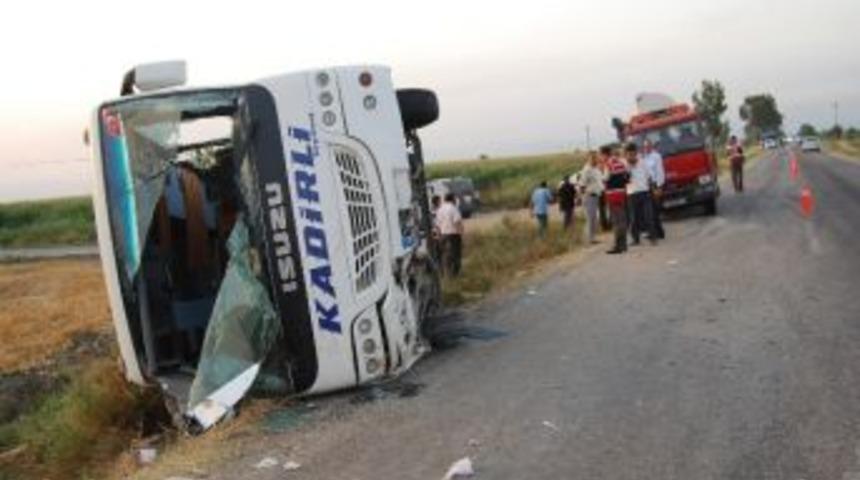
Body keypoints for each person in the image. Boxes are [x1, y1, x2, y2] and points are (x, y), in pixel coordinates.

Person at [626, 143, 658, 246]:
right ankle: (635, 239)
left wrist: (654, 189)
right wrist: (628, 169)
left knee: (649, 216)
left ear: (636, 153)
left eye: (633, 154)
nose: (631, 156)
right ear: (626, 154)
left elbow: (650, 177)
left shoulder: (643, 163)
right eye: (629, 154)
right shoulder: (625, 166)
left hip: (645, 193)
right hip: (632, 194)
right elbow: (623, 180)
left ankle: (653, 238)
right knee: (634, 218)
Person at [604, 147, 630, 254]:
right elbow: (628, 177)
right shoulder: (623, 164)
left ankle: (617, 246)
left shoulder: (608, 165)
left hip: (612, 195)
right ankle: (624, 245)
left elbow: (605, 178)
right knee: (622, 220)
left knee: (616, 221)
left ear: (607, 154)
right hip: (622, 194)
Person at [641, 139, 666, 239]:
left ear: (651, 146)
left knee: (655, 210)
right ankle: (655, 232)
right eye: (645, 146)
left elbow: (660, 171)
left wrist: (659, 187)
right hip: (646, 186)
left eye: (648, 146)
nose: (646, 148)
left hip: (655, 185)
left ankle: (659, 232)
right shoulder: (643, 158)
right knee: (649, 211)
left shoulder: (656, 156)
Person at [578, 152, 605, 244]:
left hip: (596, 195)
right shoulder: (586, 170)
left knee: (593, 218)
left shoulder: (596, 169)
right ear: (589, 159)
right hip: (589, 196)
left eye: (596, 158)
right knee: (590, 218)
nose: (595, 160)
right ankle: (588, 239)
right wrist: (583, 198)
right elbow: (582, 185)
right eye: (593, 158)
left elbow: (600, 180)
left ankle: (592, 237)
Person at [435, 193, 463, 276]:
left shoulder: (440, 210)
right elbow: (457, 222)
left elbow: (437, 225)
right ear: (453, 199)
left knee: (445, 255)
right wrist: (460, 233)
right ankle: (454, 274)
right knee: (455, 255)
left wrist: (439, 236)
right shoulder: (453, 208)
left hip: (443, 235)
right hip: (453, 235)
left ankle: (447, 274)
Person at [596, 147, 614, 231]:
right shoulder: (601, 164)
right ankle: (605, 225)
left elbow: (605, 178)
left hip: (607, 189)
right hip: (602, 189)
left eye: (600, 154)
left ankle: (609, 224)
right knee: (602, 208)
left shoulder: (608, 163)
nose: (599, 156)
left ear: (605, 154)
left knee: (608, 208)